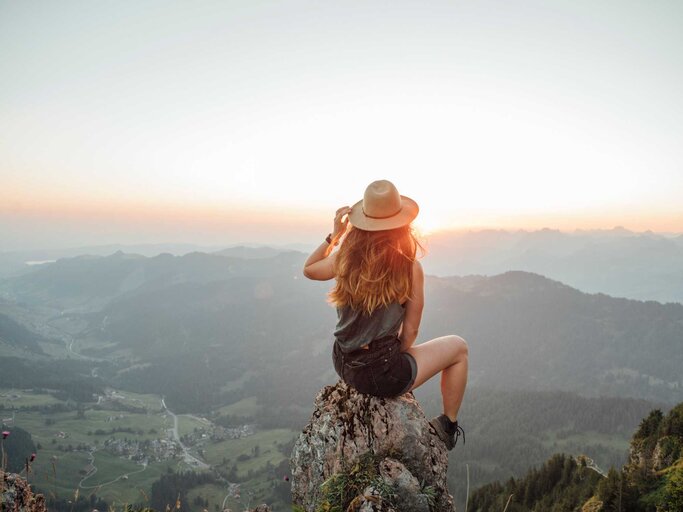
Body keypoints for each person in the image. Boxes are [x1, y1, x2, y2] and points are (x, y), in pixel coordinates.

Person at [302, 179, 468, 450]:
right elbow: (411, 331)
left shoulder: (346, 257)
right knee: (459, 349)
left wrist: (335, 235)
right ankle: (448, 426)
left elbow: (310, 269)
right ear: (403, 224)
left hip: (342, 361)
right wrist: (392, 360)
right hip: (381, 372)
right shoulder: (409, 268)